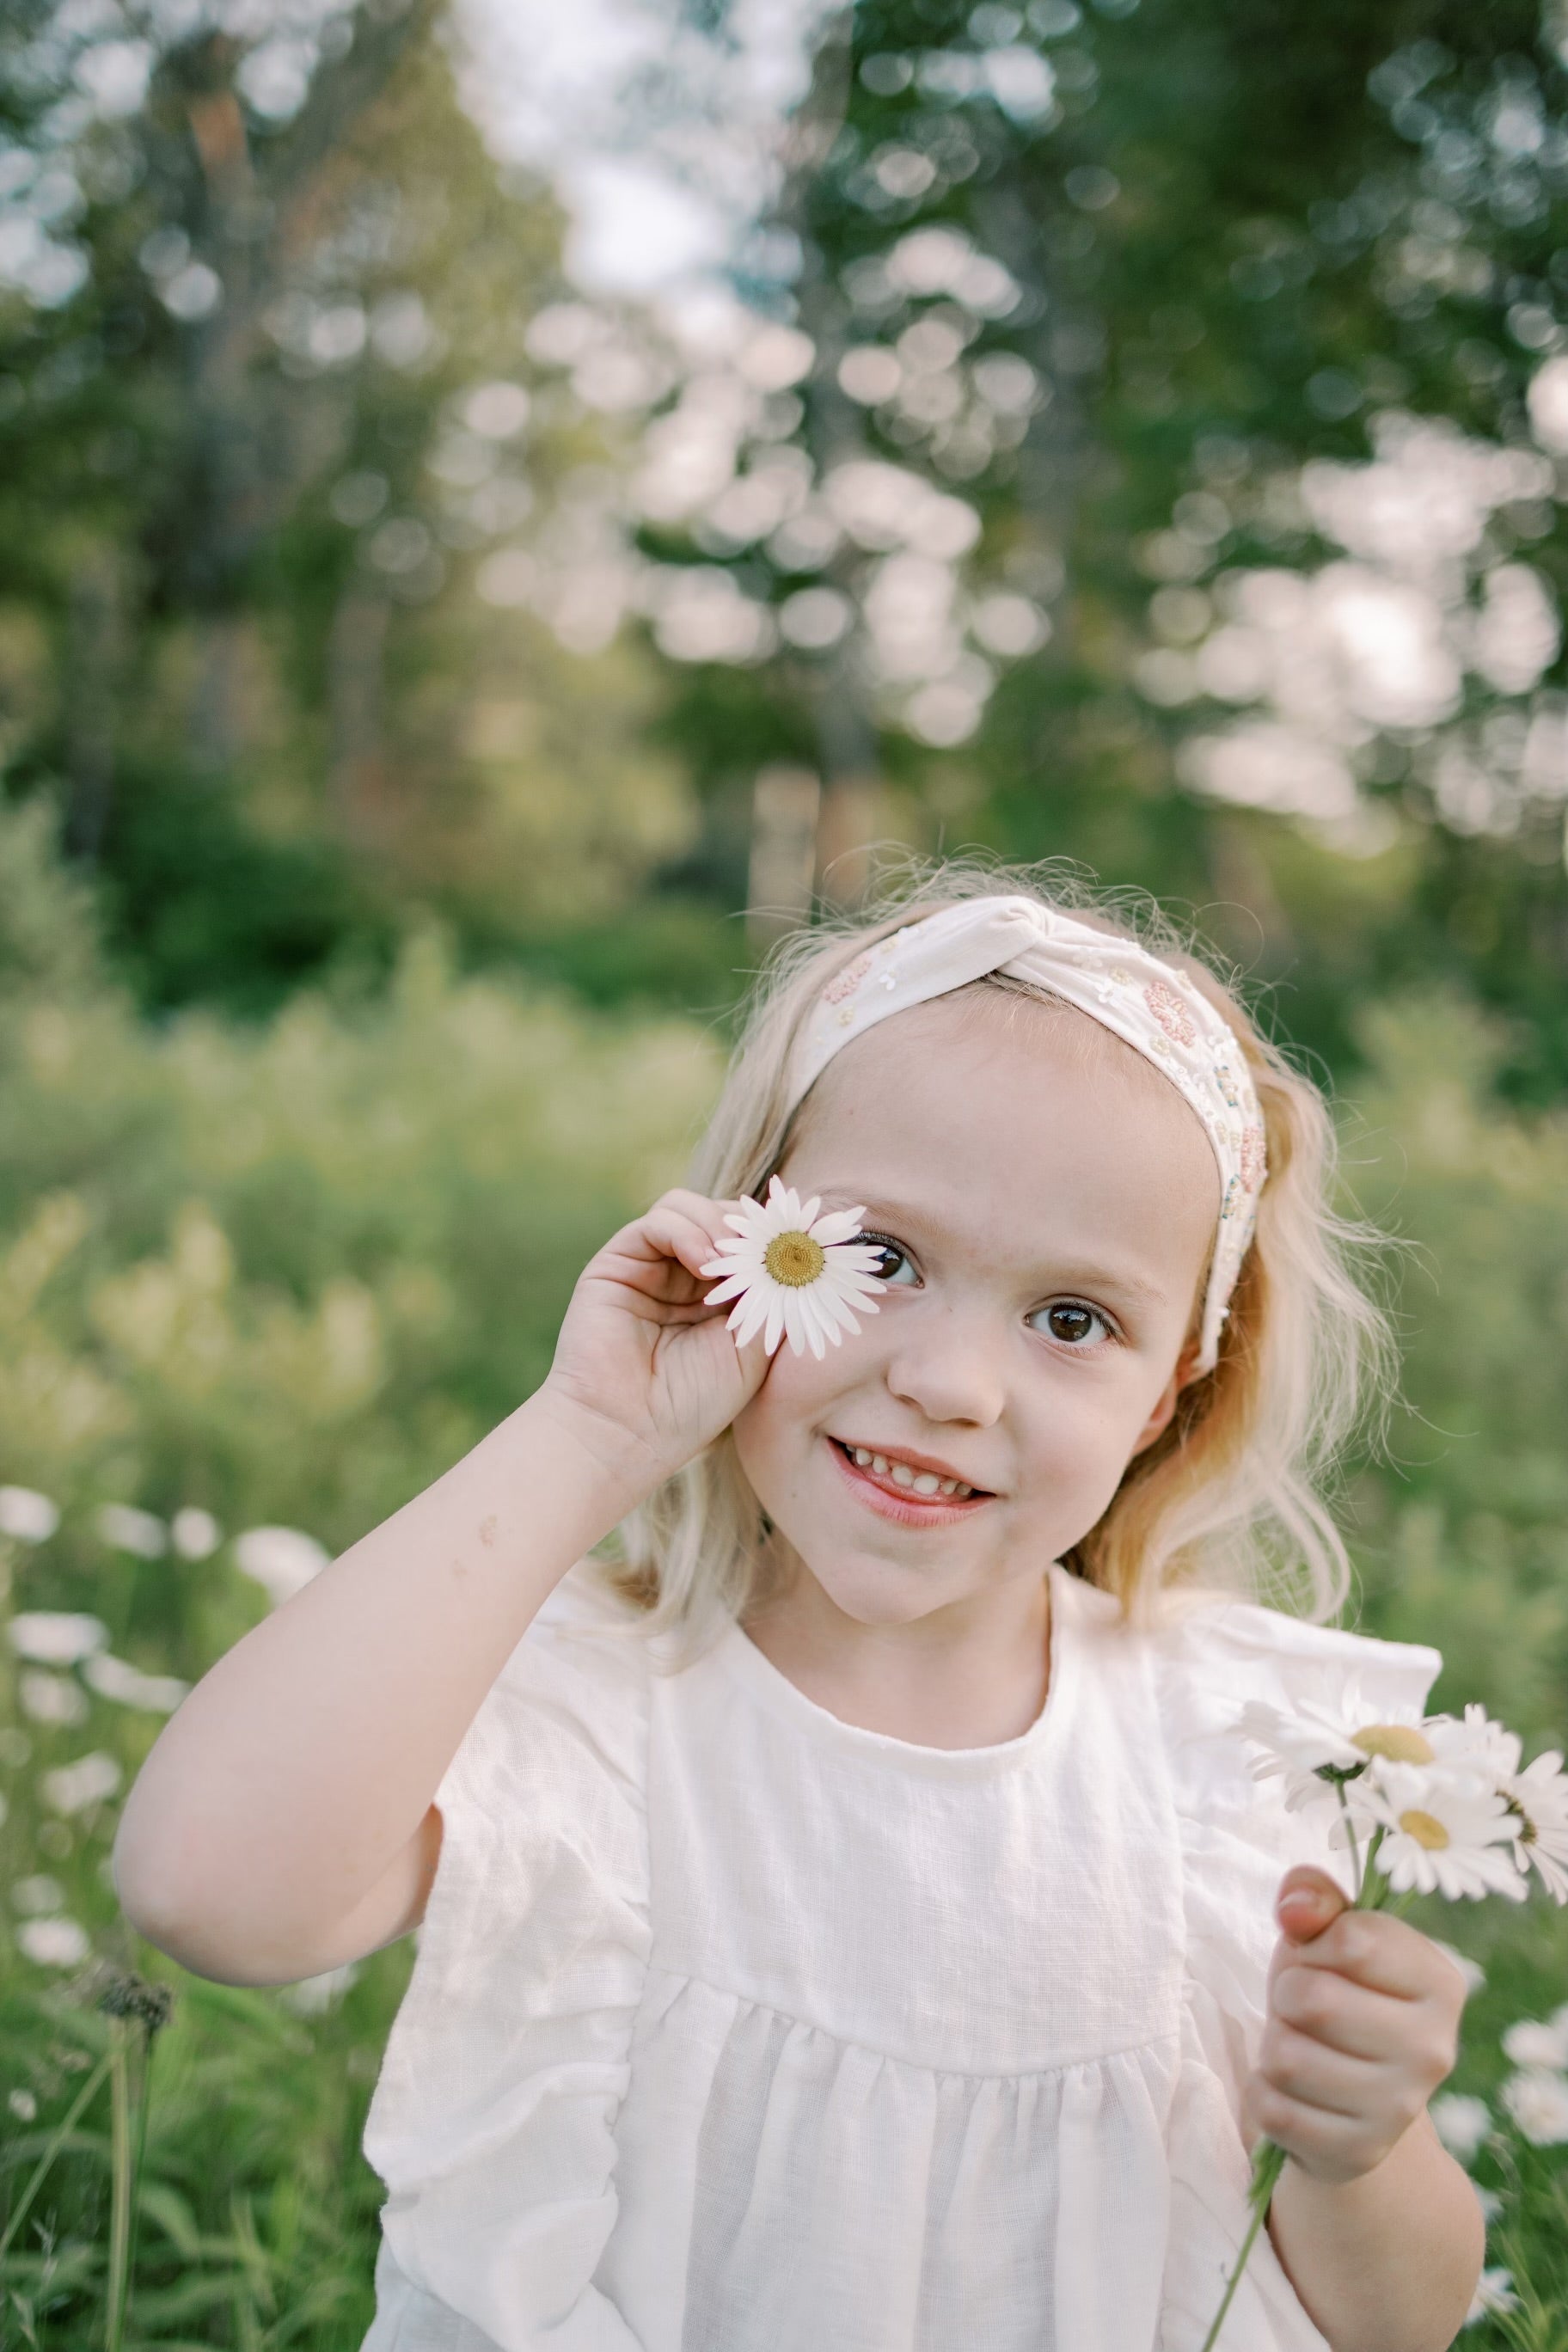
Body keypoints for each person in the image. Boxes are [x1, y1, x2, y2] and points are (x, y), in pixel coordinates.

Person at [113, 862, 1486, 2352]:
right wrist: (590, 1429)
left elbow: (1402, 2327)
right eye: (881, 1259)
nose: (951, 1385)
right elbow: (209, 1892)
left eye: (1072, 1319)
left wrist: (1361, 2144)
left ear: (1175, 1391)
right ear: (743, 1246)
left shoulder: (1229, 1759)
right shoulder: (596, 1707)